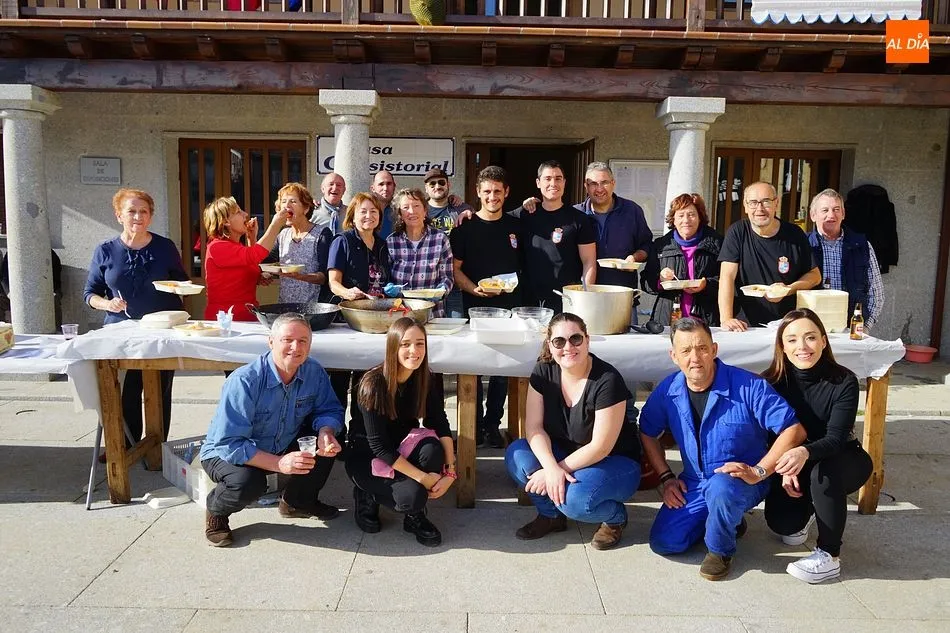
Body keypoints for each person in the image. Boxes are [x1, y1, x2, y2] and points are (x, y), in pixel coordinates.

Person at [639, 317, 806, 580]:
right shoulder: (668, 389)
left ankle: (720, 550)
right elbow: (647, 432)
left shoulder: (749, 386)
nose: (695, 357)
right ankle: (727, 519)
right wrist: (666, 477)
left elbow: (793, 430)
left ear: (714, 350)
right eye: (685, 350)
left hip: (742, 479)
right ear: (674, 356)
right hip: (694, 482)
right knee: (665, 543)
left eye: (702, 348)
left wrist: (760, 470)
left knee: (721, 489)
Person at [200, 313, 344, 547]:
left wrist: (325, 432)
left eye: (303, 341)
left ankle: (297, 502)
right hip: (226, 451)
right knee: (249, 483)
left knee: (327, 444)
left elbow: (328, 409)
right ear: (271, 341)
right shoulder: (245, 381)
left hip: (280, 441)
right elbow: (230, 443)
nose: (295, 347)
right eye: (287, 339)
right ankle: (217, 510)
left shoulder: (313, 372)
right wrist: (278, 464)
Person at [505, 312, 642, 550]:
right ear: (550, 344)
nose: (568, 347)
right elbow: (534, 428)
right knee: (518, 455)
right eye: (559, 341)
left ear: (587, 340)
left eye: (576, 339)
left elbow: (601, 446)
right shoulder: (543, 370)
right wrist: (550, 468)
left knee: (575, 501)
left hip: (612, 461)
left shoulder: (607, 379)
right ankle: (551, 516)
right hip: (566, 453)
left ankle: (615, 518)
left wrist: (558, 470)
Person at [762, 309, 872, 583]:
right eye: (793, 340)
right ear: (782, 347)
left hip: (841, 456)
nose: (802, 347)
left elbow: (835, 438)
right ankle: (814, 508)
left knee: (822, 476)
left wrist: (803, 452)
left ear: (824, 341)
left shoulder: (843, 380)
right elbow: (765, 435)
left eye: (810, 337)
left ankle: (829, 555)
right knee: (784, 526)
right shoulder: (771, 381)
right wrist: (784, 465)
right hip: (794, 462)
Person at [83, 188, 189, 452]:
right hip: (121, 331)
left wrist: (176, 287)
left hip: (162, 330)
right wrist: (108, 303)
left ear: (151, 217)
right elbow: (90, 293)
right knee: (123, 390)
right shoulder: (105, 250)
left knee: (160, 390)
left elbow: (183, 282)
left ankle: (157, 447)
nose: (138, 217)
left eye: (144, 211)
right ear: (119, 215)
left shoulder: (165, 247)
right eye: (131, 211)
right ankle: (126, 445)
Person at [347, 317, 456, 547]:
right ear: (393, 346)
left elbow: (439, 423)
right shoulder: (373, 383)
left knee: (433, 450)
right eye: (405, 344)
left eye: (420, 343)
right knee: (413, 496)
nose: (414, 351)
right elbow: (379, 447)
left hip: (402, 446)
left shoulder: (425, 377)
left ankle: (414, 518)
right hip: (368, 456)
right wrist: (423, 478)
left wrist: (450, 472)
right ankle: (366, 493)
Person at [450, 165, 522, 448]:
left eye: (497, 191)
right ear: (478, 193)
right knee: (474, 369)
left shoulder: (517, 226)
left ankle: (493, 425)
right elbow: (455, 270)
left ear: (506, 193)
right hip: (475, 308)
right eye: (487, 191)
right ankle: (475, 425)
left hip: (511, 308)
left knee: (502, 371)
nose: (492, 196)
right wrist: (474, 289)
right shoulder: (464, 228)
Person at [327, 192, 392, 432]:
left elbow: (385, 282)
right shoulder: (341, 241)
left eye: (373, 211)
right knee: (340, 380)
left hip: (375, 322)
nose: (369, 216)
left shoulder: (383, 245)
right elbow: (333, 282)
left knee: (367, 380)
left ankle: (360, 433)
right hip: (348, 319)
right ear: (352, 216)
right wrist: (347, 292)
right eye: (363, 211)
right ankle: (335, 432)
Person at [718, 181, 821, 331]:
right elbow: (727, 276)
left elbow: (815, 275)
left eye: (766, 202)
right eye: (753, 202)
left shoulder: (794, 234)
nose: (759, 209)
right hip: (746, 326)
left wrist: (788, 289)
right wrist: (726, 319)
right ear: (745, 206)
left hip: (788, 325)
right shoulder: (737, 232)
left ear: (776, 203)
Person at [512, 160, 597, 313]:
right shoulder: (524, 214)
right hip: (529, 299)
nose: (553, 183)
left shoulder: (579, 219)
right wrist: (466, 213)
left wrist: (585, 296)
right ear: (538, 183)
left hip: (566, 299)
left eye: (558, 178)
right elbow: (493, 218)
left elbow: (589, 261)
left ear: (564, 182)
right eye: (547, 178)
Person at [641, 193, 724, 326]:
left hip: (707, 319)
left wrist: (706, 285)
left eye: (691, 214)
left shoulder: (717, 243)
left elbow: (729, 280)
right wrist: (660, 280)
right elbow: (645, 282)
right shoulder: (661, 245)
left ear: (700, 217)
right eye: (680, 215)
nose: (686, 220)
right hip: (667, 319)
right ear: (673, 219)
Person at [807, 188, 884, 330]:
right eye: (825, 210)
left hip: (850, 330)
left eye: (836, 209)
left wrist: (865, 326)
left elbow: (876, 293)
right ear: (813, 215)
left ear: (843, 214)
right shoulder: (803, 245)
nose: (831, 215)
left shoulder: (862, 246)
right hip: (811, 329)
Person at [203, 196, 288, 322]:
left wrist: (251, 239)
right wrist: (275, 224)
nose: (245, 214)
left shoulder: (236, 246)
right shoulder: (217, 247)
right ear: (226, 221)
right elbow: (256, 254)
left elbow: (250, 262)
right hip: (226, 319)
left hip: (247, 315)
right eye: (238, 212)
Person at [387, 188, 454, 317]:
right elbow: (385, 276)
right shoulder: (392, 241)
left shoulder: (440, 239)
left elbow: (447, 277)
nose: (411, 211)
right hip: (399, 314)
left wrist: (441, 291)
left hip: (432, 314)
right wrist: (388, 287)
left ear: (425, 210)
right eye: (405, 207)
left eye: (416, 205)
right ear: (400, 214)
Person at [271, 182, 332, 305]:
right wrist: (266, 274)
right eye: (283, 201)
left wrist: (299, 276)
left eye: (292, 201)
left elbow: (323, 277)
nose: (286, 206)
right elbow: (264, 260)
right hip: (284, 307)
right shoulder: (283, 234)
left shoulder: (322, 234)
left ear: (306, 208)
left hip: (313, 308)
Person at [424, 166, 473, 317]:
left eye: (441, 182)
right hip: (428, 280)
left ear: (448, 185)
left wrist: (470, 212)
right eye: (432, 184)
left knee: (456, 325)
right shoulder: (421, 211)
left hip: (454, 282)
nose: (437, 186)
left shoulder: (460, 209)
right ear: (426, 188)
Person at [371, 169, 397, 238]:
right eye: (381, 184)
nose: (385, 188)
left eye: (389, 184)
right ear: (373, 188)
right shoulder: (365, 210)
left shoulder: (401, 210)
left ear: (394, 186)